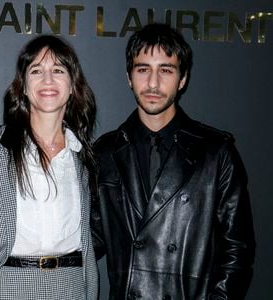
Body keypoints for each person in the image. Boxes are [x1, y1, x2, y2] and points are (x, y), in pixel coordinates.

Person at [91, 23, 255, 299]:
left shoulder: (216, 152)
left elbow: (237, 250)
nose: (153, 83)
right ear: (129, 77)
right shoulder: (105, 152)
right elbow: (88, 241)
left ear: (183, 79)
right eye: (143, 69)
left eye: (165, 70)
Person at [0, 35, 98, 299]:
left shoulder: (82, 157)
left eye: (58, 70)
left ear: (73, 85)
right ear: (23, 87)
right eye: (37, 71)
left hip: (71, 286)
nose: (48, 80)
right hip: (3, 286)